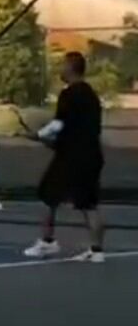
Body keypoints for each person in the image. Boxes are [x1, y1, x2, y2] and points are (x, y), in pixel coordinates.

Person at [23, 51, 106, 263]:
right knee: (89, 204)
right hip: (92, 156)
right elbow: (78, 129)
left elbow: (59, 124)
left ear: (71, 68)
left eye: (63, 65)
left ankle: (47, 243)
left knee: (46, 197)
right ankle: (97, 252)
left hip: (71, 158)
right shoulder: (92, 96)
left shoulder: (69, 94)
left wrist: (39, 134)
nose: (60, 69)